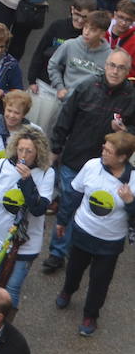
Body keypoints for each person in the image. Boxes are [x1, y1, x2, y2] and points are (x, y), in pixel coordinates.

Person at [43, 52, 135, 272]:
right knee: (68, 206)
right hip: (75, 160)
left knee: (98, 208)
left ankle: (84, 250)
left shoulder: (132, 97)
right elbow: (65, 119)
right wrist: (55, 149)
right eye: (111, 65)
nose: (115, 71)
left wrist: (127, 131)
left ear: (128, 71)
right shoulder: (86, 87)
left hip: (111, 168)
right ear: (105, 65)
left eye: (121, 68)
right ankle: (57, 253)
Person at [55, 131, 135, 335]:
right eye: (104, 147)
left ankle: (91, 315)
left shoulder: (133, 180)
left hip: (109, 242)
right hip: (83, 231)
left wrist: (130, 202)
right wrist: (62, 221)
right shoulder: (92, 166)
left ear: (122, 157)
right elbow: (74, 194)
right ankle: (68, 290)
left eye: (108, 150)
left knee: (100, 281)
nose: (103, 152)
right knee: (74, 269)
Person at [0, 126, 54, 309]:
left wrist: (27, 181)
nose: (23, 154)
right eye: (20, 149)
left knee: (12, 289)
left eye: (29, 151)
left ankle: (2, 326)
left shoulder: (47, 173)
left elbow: (38, 209)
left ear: (39, 152)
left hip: (25, 242)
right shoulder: (2, 165)